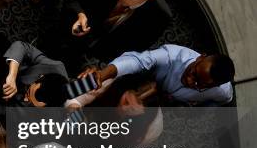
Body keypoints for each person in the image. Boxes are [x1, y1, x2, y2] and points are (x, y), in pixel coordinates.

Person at [38, 0, 169, 68]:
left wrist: (99, 65)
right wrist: (80, 14)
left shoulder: (159, 17)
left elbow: (134, 49)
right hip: (71, 31)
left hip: (103, 53)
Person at [84, 44, 235, 106]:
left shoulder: (222, 91)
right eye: (193, 73)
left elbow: (226, 100)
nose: (190, 81)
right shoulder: (171, 55)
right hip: (141, 85)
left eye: (199, 84)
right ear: (200, 57)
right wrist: (102, 75)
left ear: (214, 86)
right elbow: (137, 61)